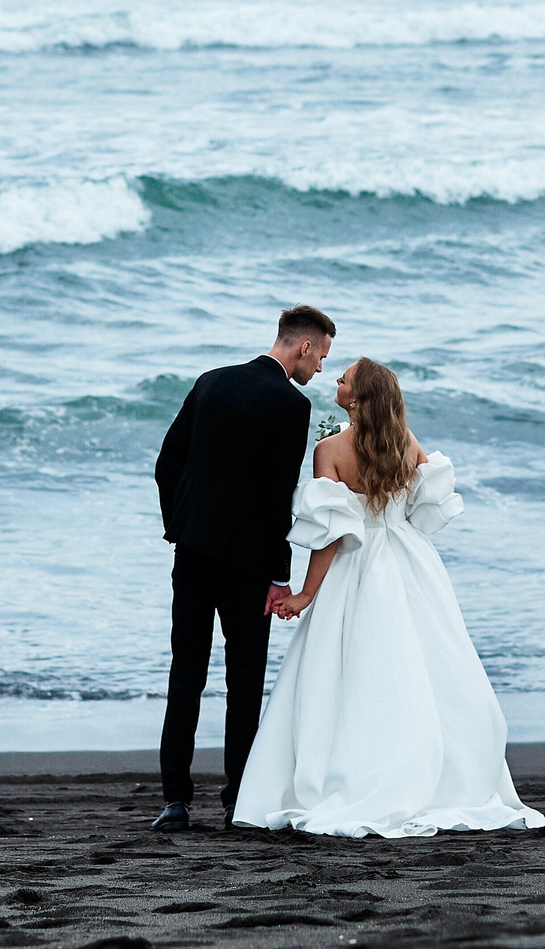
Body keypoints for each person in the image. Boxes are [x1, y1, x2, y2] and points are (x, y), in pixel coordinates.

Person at [230, 357, 545, 837]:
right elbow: (423, 507)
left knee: (350, 675)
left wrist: (307, 595)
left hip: (356, 567)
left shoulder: (331, 449)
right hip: (410, 561)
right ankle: (439, 774)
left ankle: (355, 771)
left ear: (356, 399)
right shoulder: (406, 443)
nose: (336, 380)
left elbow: (333, 533)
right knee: (421, 666)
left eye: (345, 379)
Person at [150, 304, 333, 830]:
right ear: (303, 346)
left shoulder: (211, 382)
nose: (319, 367)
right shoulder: (290, 405)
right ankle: (237, 800)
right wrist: (282, 574)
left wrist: (178, 526)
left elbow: (167, 462)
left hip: (194, 552)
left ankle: (175, 801)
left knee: (185, 674)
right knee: (244, 682)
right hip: (250, 565)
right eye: (321, 355)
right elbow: (278, 497)